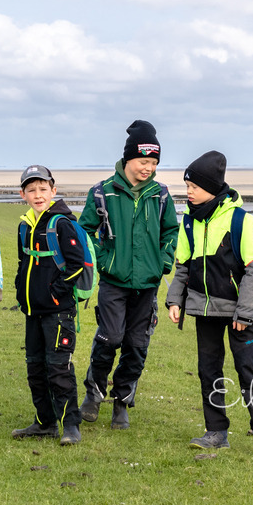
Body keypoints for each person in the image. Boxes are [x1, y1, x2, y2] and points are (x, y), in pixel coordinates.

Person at [165, 150, 253, 451]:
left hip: (240, 314)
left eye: (193, 186)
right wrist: (174, 301)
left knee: (249, 369)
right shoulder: (189, 222)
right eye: (187, 186)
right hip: (203, 310)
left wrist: (244, 314)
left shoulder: (243, 220)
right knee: (208, 369)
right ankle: (215, 432)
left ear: (211, 187)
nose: (188, 192)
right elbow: (182, 266)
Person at [78, 120, 179, 429]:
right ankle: (93, 394)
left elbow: (171, 232)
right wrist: (105, 259)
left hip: (147, 284)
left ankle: (122, 402)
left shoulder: (160, 195)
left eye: (153, 162)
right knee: (110, 339)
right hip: (113, 282)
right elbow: (84, 231)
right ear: (127, 159)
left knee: (136, 345)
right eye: (142, 161)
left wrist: (162, 262)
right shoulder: (102, 192)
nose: (147, 168)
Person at [12, 165, 86, 446]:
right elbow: (23, 263)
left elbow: (77, 266)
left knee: (59, 368)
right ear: (23, 194)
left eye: (43, 189)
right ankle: (44, 423)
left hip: (58, 312)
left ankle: (70, 426)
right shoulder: (24, 225)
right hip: (32, 311)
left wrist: (55, 294)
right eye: (31, 189)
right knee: (35, 368)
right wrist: (22, 293)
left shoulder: (62, 223)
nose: (38, 194)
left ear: (53, 191)